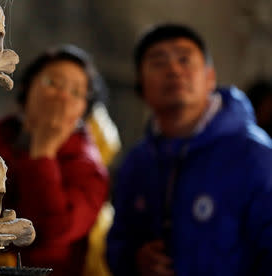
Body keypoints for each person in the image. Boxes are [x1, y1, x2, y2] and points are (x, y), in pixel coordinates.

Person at [106, 23, 272, 276]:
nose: (173, 70)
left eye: (185, 59)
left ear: (210, 78)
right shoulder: (138, 161)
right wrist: (135, 259)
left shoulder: (254, 154)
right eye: (158, 62)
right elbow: (117, 243)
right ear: (141, 86)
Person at [0, 44, 109, 276]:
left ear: (83, 112)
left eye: (76, 92)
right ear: (27, 90)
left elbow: (51, 232)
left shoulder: (88, 169)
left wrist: (44, 151)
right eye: (53, 83)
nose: (62, 96)